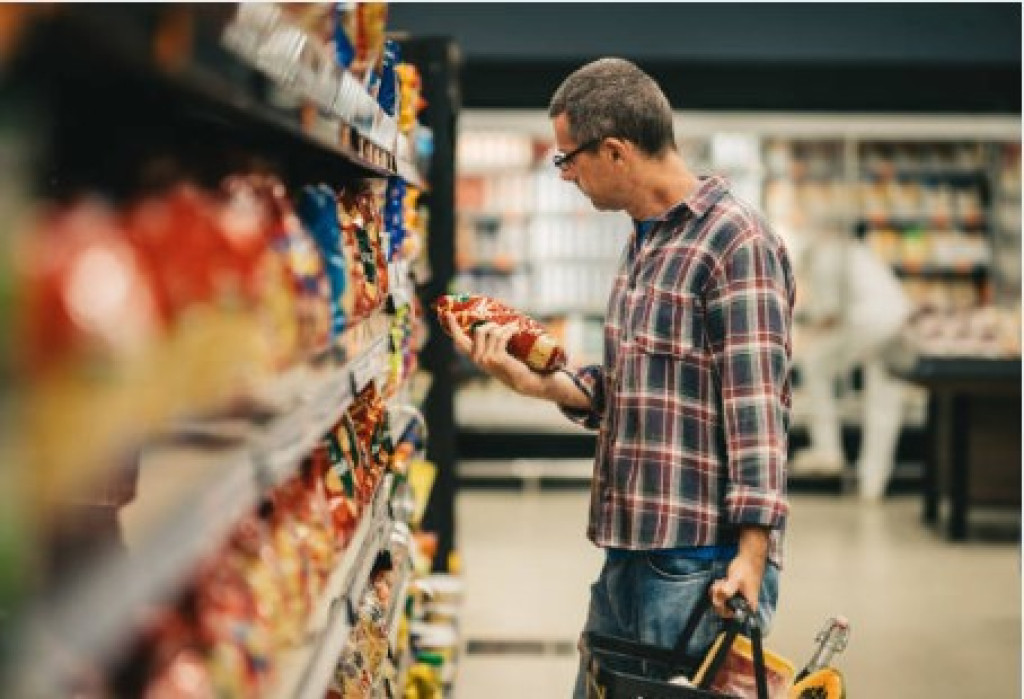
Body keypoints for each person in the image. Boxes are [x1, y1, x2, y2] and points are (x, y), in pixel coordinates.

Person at [445, 58, 794, 696]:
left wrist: (753, 555)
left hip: (700, 564)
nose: (566, 174)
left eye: (567, 159)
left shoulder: (735, 243)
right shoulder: (645, 242)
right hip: (629, 551)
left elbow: (758, 413)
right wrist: (537, 382)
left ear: (615, 151)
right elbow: (630, 389)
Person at [789, 227, 911, 500]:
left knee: (816, 365)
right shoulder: (855, 251)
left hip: (867, 321)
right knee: (884, 401)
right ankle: (873, 482)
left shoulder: (823, 258)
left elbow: (831, 314)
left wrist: (803, 334)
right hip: (897, 319)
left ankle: (828, 450)